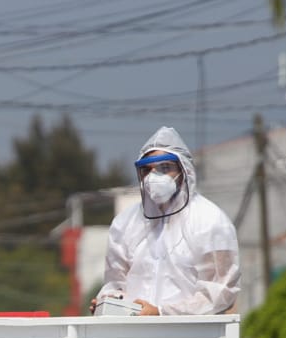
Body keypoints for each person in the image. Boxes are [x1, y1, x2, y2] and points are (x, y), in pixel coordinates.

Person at [93, 125, 240, 316]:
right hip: (133, 336)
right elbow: (116, 283)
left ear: (183, 170)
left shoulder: (211, 220)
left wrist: (162, 312)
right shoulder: (125, 223)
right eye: (147, 170)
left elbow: (221, 291)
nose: (153, 177)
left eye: (165, 168)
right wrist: (108, 303)